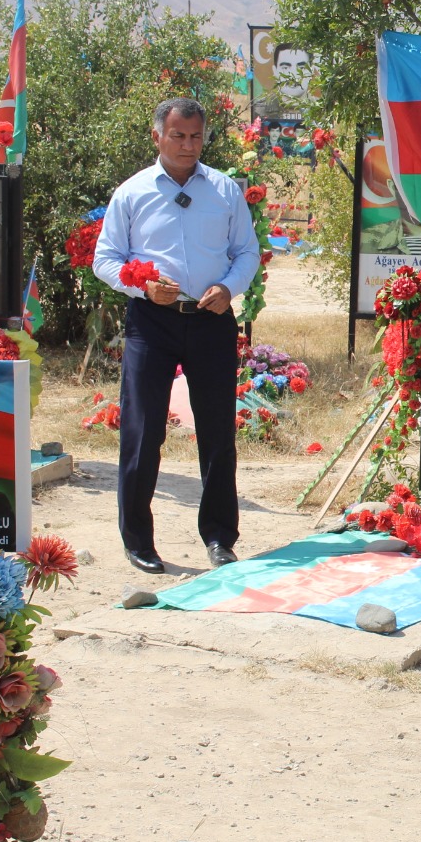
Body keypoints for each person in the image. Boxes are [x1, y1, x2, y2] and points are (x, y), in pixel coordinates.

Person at [93, 98, 261, 574]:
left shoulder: (224, 190)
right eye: (178, 136)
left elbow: (246, 252)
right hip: (152, 321)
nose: (188, 145)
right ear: (157, 136)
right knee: (142, 430)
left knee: (217, 431)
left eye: (195, 136)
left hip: (211, 318)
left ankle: (220, 537)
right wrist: (142, 286)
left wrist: (228, 288)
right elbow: (105, 259)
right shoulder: (132, 193)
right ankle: (138, 541)